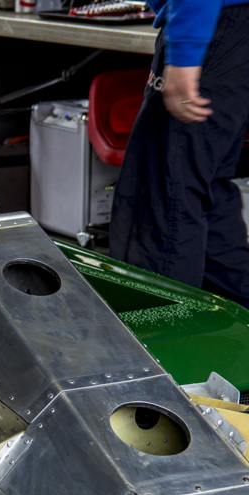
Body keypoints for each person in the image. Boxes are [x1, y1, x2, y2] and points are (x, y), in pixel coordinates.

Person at [109, 0, 249, 309]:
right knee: (206, 194)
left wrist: (185, 54)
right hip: (228, 24)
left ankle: (161, 341)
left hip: (212, 22)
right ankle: (235, 336)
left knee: (163, 198)